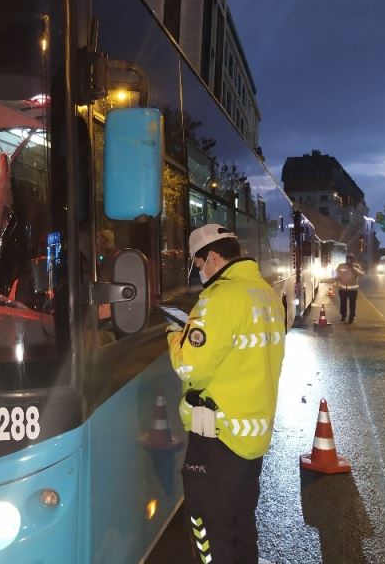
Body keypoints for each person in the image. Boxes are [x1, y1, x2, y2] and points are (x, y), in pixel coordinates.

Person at [167, 223, 285, 564]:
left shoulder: (218, 299)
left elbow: (190, 367)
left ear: (214, 257)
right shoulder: (265, 294)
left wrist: (176, 334)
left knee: (208, 525)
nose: (200, 271)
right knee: (240, 520)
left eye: (199, 264)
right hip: (252, 434)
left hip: (217, 435)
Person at [335, 252, 364, 324]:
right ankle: (343, 315)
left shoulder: (356, 266)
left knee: (352, 304)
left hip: (353, 290)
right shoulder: (341, 266)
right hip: (342, 289)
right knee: (343, 303)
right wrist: (337, 278)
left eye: (350, 259)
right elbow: (336, 274)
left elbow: (361, 274)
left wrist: (352, 268)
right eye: (347, 258)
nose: (348, 260)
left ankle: (352, 316)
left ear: (353, 260)